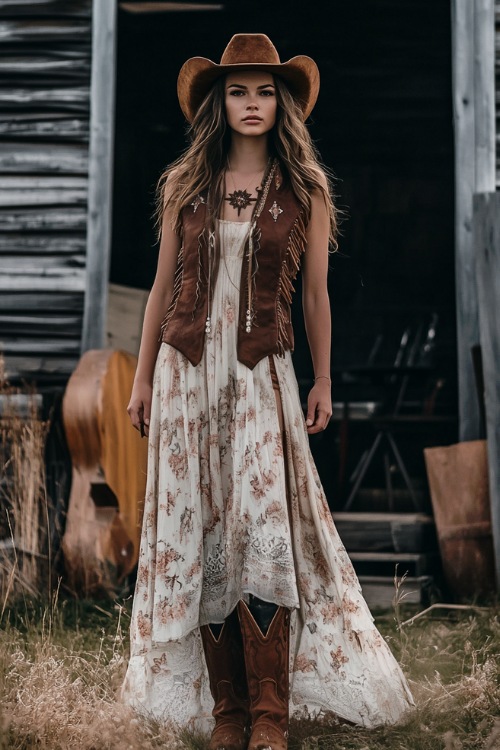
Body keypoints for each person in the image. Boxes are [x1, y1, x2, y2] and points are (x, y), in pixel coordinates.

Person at [122, 33, 414, 750]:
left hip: (261, 378)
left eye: (263, 91)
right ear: (218, 104)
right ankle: (227, 713)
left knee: (261, 532)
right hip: (186, 376)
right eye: (237, 91)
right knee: (204, 532)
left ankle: (269, 715)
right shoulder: (184, 187)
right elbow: (161, 291)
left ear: (281, 103)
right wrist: (140, 384)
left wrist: (321, 377)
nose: (251, 103)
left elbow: (316, 295)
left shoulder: (305, 190)